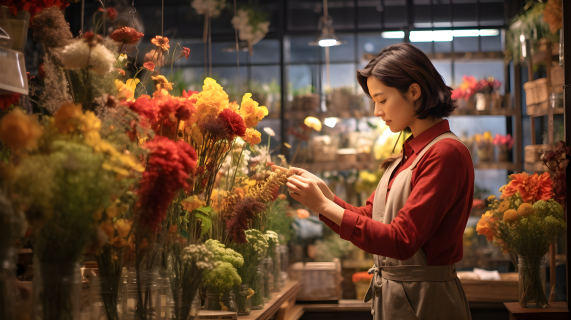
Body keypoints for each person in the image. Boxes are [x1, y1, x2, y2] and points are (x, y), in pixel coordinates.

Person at [282, 43, 474, 320]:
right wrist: (326, 197)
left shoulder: (445, 153)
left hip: (426, 302)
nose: (376, 111)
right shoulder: (409, 153)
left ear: (414, 91)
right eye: (374, 101)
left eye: (382, 100)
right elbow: (370, 217)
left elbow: (401, 240)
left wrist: (324, 206)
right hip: (399, 296)